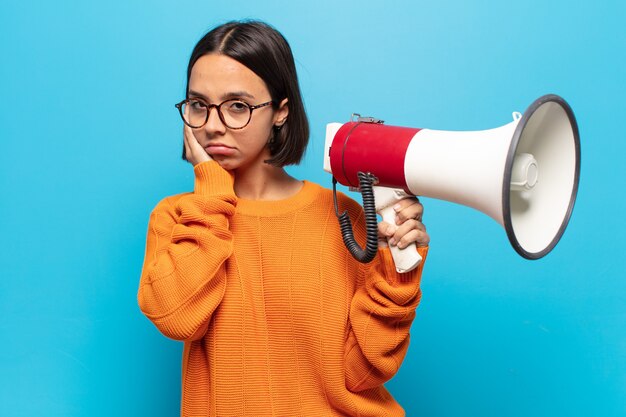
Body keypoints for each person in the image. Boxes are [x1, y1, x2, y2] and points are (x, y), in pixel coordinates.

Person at [138, 20, 430, 417]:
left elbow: (363, 372)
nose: (212, 125)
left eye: (237, 106)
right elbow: (178, 319)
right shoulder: (179, 218)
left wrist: (398, 273)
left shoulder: (346, 218)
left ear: (280, 111)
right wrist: (211, 191)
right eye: (198, 105)